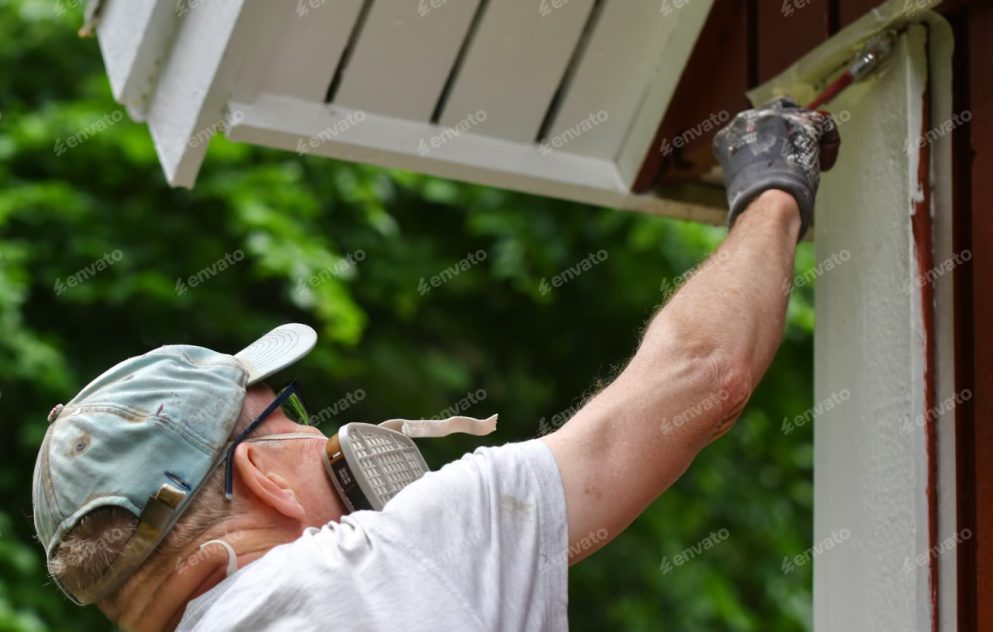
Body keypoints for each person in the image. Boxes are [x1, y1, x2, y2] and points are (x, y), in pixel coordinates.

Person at [32, 98, 839, 631]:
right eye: (297, 420)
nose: (328, 442)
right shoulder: (370, 567)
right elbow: (706, 376)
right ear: (263, 473)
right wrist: (772, 184)